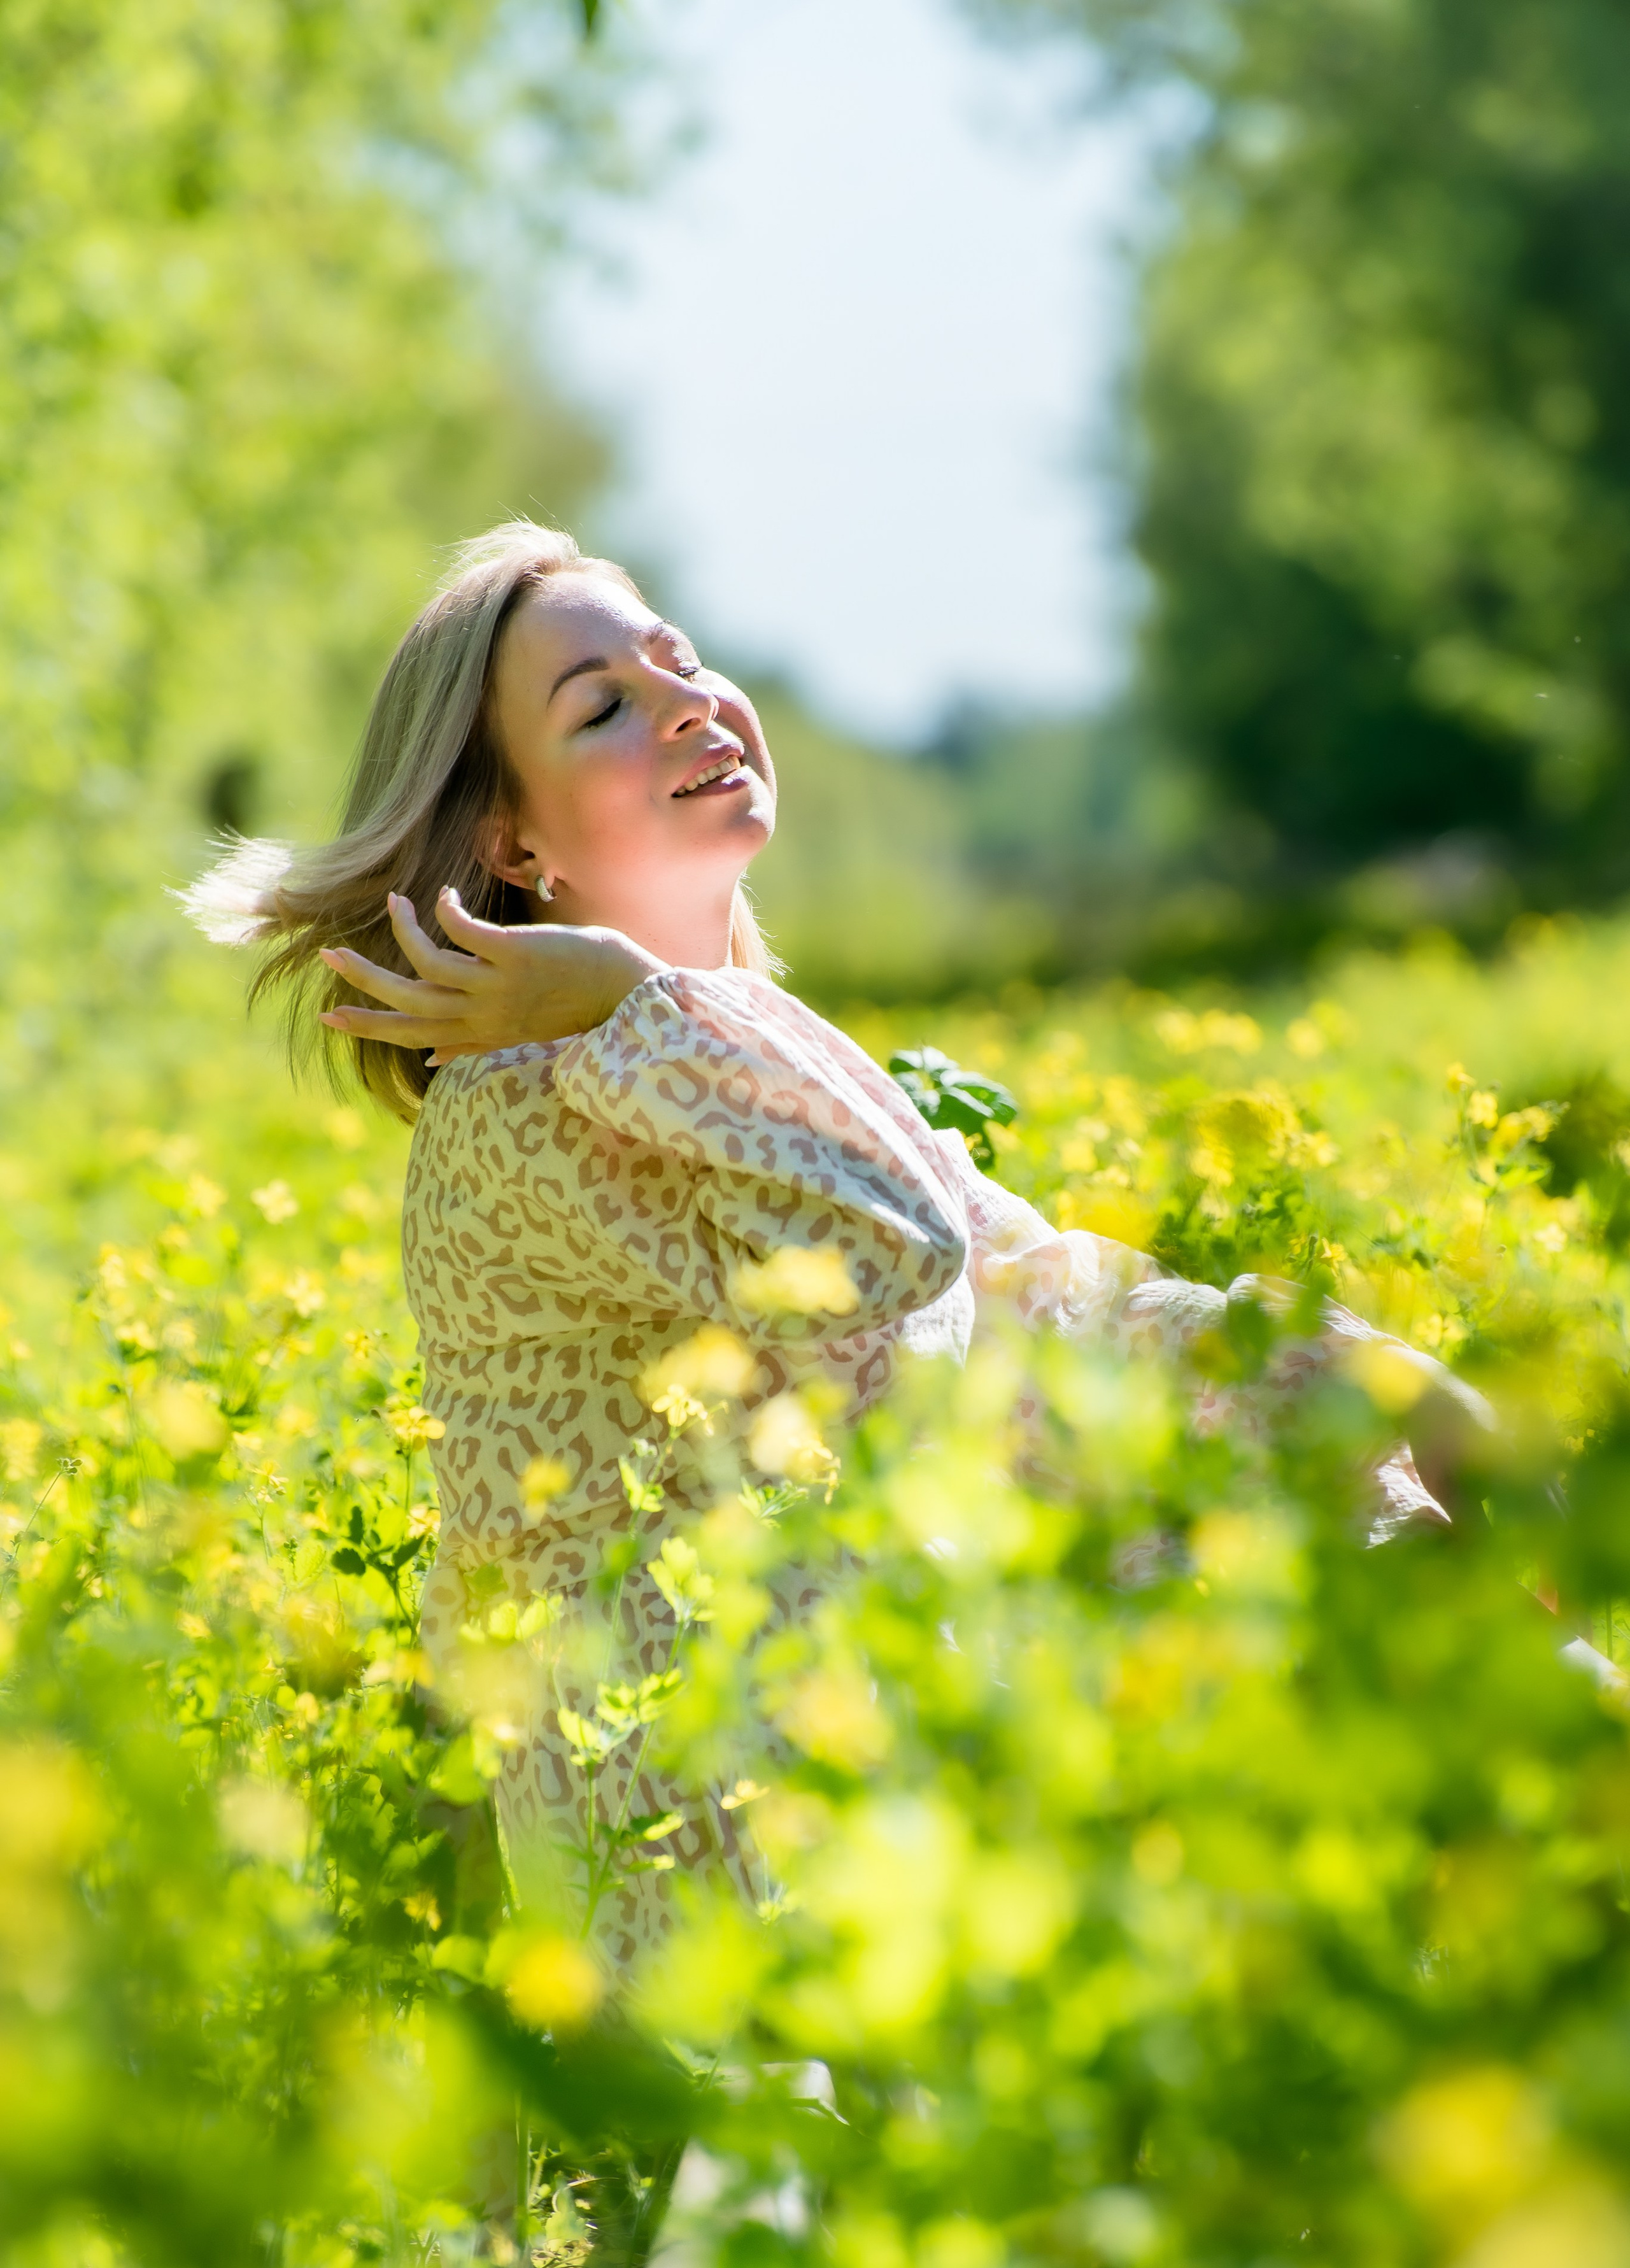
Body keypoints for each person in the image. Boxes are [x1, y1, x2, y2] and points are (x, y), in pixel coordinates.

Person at [184, 520, 1490, 1968]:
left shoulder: (705, 1049)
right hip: (730, 1864)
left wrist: (1380, 1388)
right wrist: (640, 1000)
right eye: (601, 705)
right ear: (514, 841)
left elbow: (1026, 1289)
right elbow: (901, 1250)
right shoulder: (523, 1106)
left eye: (674, 658)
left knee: (1389, 1571)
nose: (682, 698)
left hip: (879, 1755)